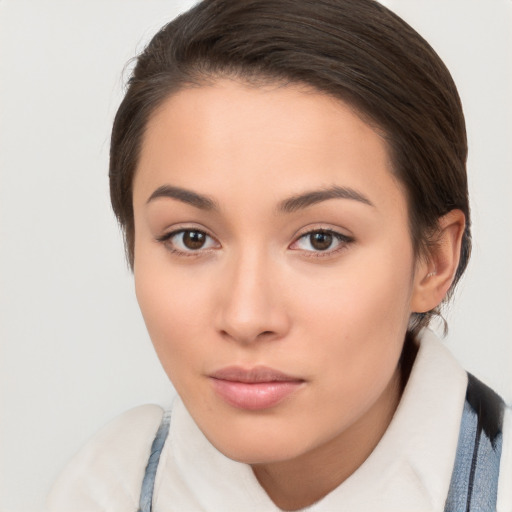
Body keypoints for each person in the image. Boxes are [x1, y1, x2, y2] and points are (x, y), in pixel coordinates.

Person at [47, 0, 511, 510]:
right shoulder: (103, 488)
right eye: (192, 238)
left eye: (320, 239)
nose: (246, 318)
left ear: (435, 260)